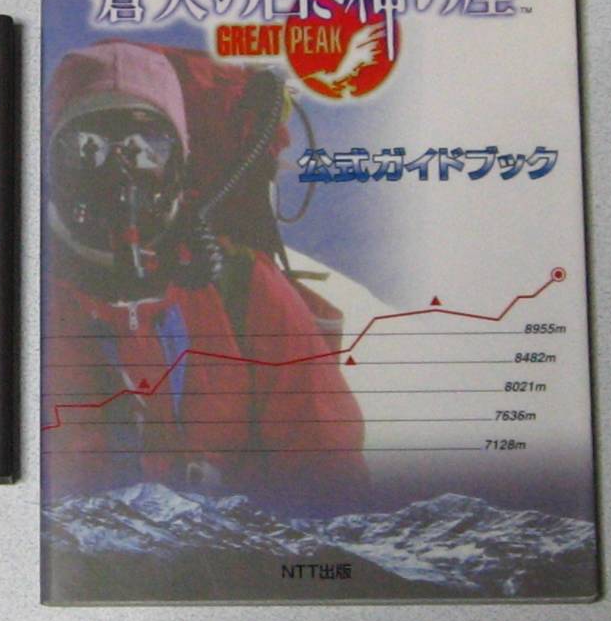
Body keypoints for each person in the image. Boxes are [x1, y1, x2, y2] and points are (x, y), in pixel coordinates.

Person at [43, 41, 369, 511]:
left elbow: (326, 469)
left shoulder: (242, 289)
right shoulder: (21, 294)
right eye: (87, 149)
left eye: (144, 149)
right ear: (54, 164)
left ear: (181, 160)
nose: (120, 173)